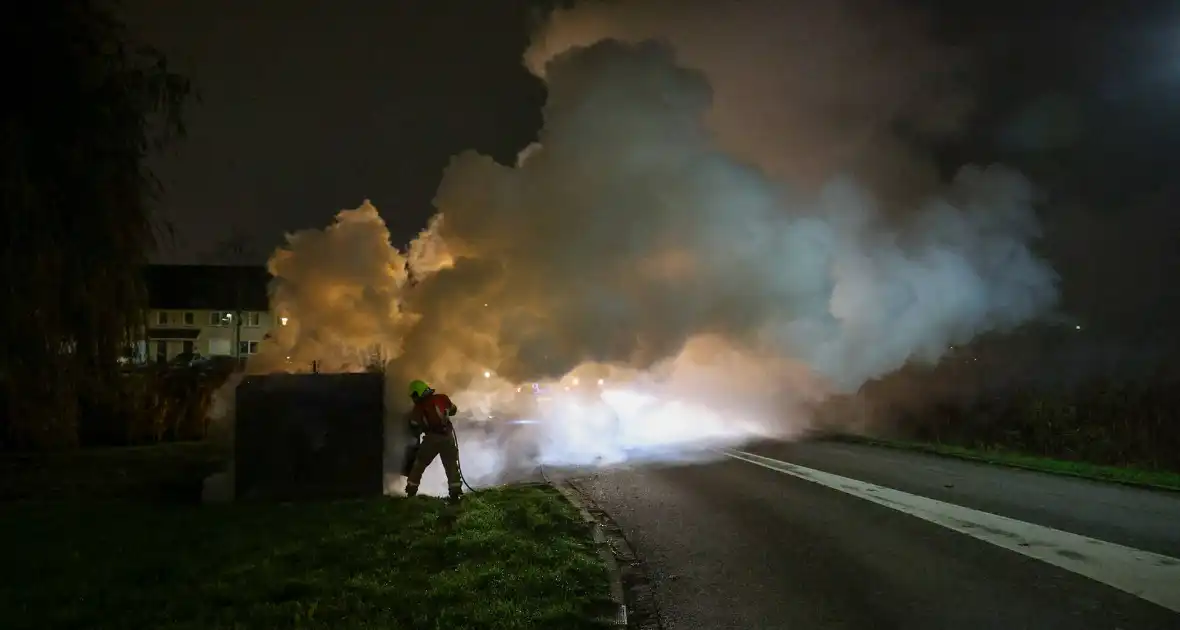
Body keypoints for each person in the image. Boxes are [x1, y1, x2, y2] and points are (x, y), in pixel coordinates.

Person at [404, 379, 463, 502]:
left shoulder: (418, 408)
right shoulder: (442, 398)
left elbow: (414, 425)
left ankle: (411, 492)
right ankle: (455, 494)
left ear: (418, 393)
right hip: (447, 436)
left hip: (431, 439)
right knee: (451, 465)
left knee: (419, 464)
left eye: (414, 395)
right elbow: (453, 410)